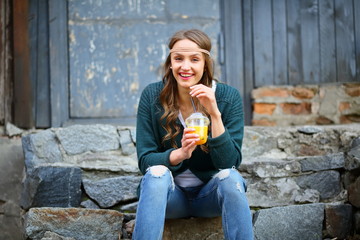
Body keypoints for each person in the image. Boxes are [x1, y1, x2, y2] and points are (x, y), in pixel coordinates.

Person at [132, 29, 253, 240]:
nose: (185, 67)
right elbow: (145, 160)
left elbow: (229, 163)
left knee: (231, 178)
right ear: (170, 62)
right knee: (156, 173)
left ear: (205, 63)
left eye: (194, 59)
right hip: (170, 198)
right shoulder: (152, 95)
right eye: (178, 58)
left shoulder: (228, 97)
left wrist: (215, 114)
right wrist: (180, 154)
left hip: (210, 198)